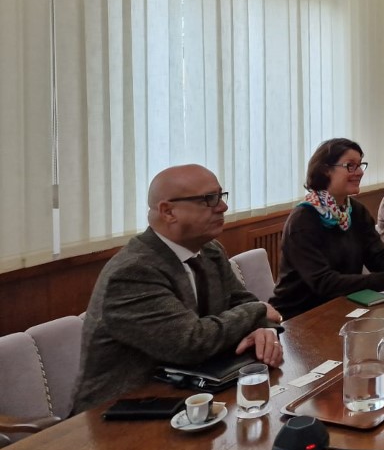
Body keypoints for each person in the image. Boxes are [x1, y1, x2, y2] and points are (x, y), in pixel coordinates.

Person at [73, 164, 284, 413]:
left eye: (220, 196)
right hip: (123, 410)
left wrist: (262, 328)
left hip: (197, 390)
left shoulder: (209, 250)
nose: (222, 207)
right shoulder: (132, 273)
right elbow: (191, 342)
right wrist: (257, 311)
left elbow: (242, 302)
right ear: (168, 211)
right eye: (209, 199)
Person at [269, 138, 384, 320]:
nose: (360, 172)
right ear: (325, 169)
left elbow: (377, 255)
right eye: (350, 166)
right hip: (299, 316)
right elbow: (324, 282)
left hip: (343, 304)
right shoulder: (303, 219)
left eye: (360, 165)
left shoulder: (355, 210)